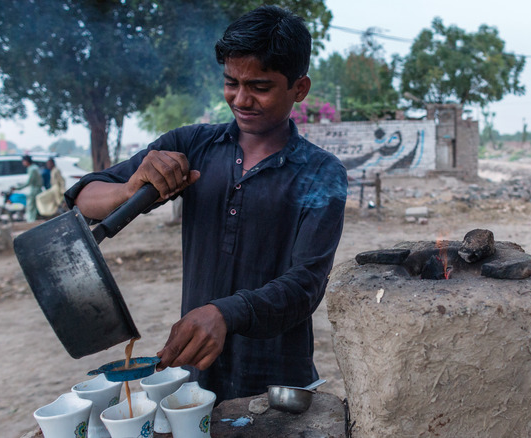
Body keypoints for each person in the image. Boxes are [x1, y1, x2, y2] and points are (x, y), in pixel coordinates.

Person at [65, 5, 347, 403]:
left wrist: (224, 313)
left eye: (260, 87)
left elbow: (306, 285)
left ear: (299, 88)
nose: (241, 98)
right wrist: (131, 189)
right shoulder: (190, 145)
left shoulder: (321, 173)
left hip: (279, 388)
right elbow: (83, 197)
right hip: (193, 383)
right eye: (231, 82)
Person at [12, 155, 43, 222]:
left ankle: (31, 221)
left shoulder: (32, 169)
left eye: (23, 161)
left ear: (27, 161)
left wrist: (18, 188)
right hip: (37, 189)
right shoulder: (34, 167)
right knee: (33, 207)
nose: (23, 163)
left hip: (34, 190)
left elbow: (29, 182)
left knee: (31, 207)